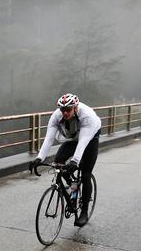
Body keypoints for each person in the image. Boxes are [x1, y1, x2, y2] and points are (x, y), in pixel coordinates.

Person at [28, 93, 101, 227]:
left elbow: (83, 142)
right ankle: (72, 187)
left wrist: (75, 161)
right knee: (58, 162)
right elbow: (49, 138)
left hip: (90, 139)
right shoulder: (57, 115)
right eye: (63, 110)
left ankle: (84, 211)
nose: (65, 113)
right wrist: (39, 158)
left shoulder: (86, 116)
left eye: (68, 110)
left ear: (75, 107)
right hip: (73, 139)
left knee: (85, 174)